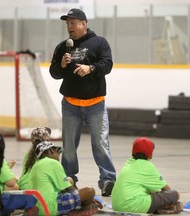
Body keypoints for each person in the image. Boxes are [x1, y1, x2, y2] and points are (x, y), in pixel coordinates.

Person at [49, 8, 116, 196]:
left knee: (100, 144)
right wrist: (61, 66)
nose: (69, 27)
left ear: (83, 24)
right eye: (67, 24)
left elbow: (108, 65)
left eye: (73, 23)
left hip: (95, 104)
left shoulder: (99, 42)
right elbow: (54, 73)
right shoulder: (63, 46)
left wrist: (91, 68)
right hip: (71, 104)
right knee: (69, 146)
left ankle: (108, 180)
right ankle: (69, 180)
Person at [111, 137, 183, 214]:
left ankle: (157, 208)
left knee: (151, 194)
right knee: (175, 194)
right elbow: (167, 190)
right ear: (150, 156)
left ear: (132, 152)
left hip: (116, 206)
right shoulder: (148, 167)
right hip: (132, 206)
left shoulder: (129, 162)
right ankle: (162, 208)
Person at [30, 141, 102, 215]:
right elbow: (68, 189)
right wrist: (88, 198)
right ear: (51, 151)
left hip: (37, 208)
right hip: (50, 208)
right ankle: (79, 210)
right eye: (58, 152)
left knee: (69, 180)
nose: (59, 155)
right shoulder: (53, 163)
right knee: (89, 191)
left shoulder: (35, 166)